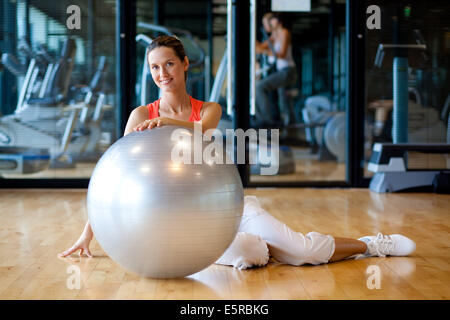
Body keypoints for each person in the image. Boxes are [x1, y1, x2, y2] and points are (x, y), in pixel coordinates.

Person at [58, 35, 416, 269]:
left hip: (231, 209)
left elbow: (200, 132)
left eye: (168, 63)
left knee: (304, 253)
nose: (162, 73)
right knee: (252, 253)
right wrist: (88, 233)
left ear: (184, 64)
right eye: (154, 67)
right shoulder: (140, 116)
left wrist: (167, 125)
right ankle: (276, 249)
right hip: (184, 225)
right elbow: (115, 181)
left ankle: (370, 244)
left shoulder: (208, 109)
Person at [255, 13, 297, 127]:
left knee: (260, 87)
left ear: (277, 21)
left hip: (288, 71)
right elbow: (261, 47)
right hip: (282, 71)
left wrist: (263, 51)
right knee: (283, 101)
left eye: (270, 21)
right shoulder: (274, 36)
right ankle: (286, 123)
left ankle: (266, 121)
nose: (268, 25)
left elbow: (282, 54)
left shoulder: (284, 32)